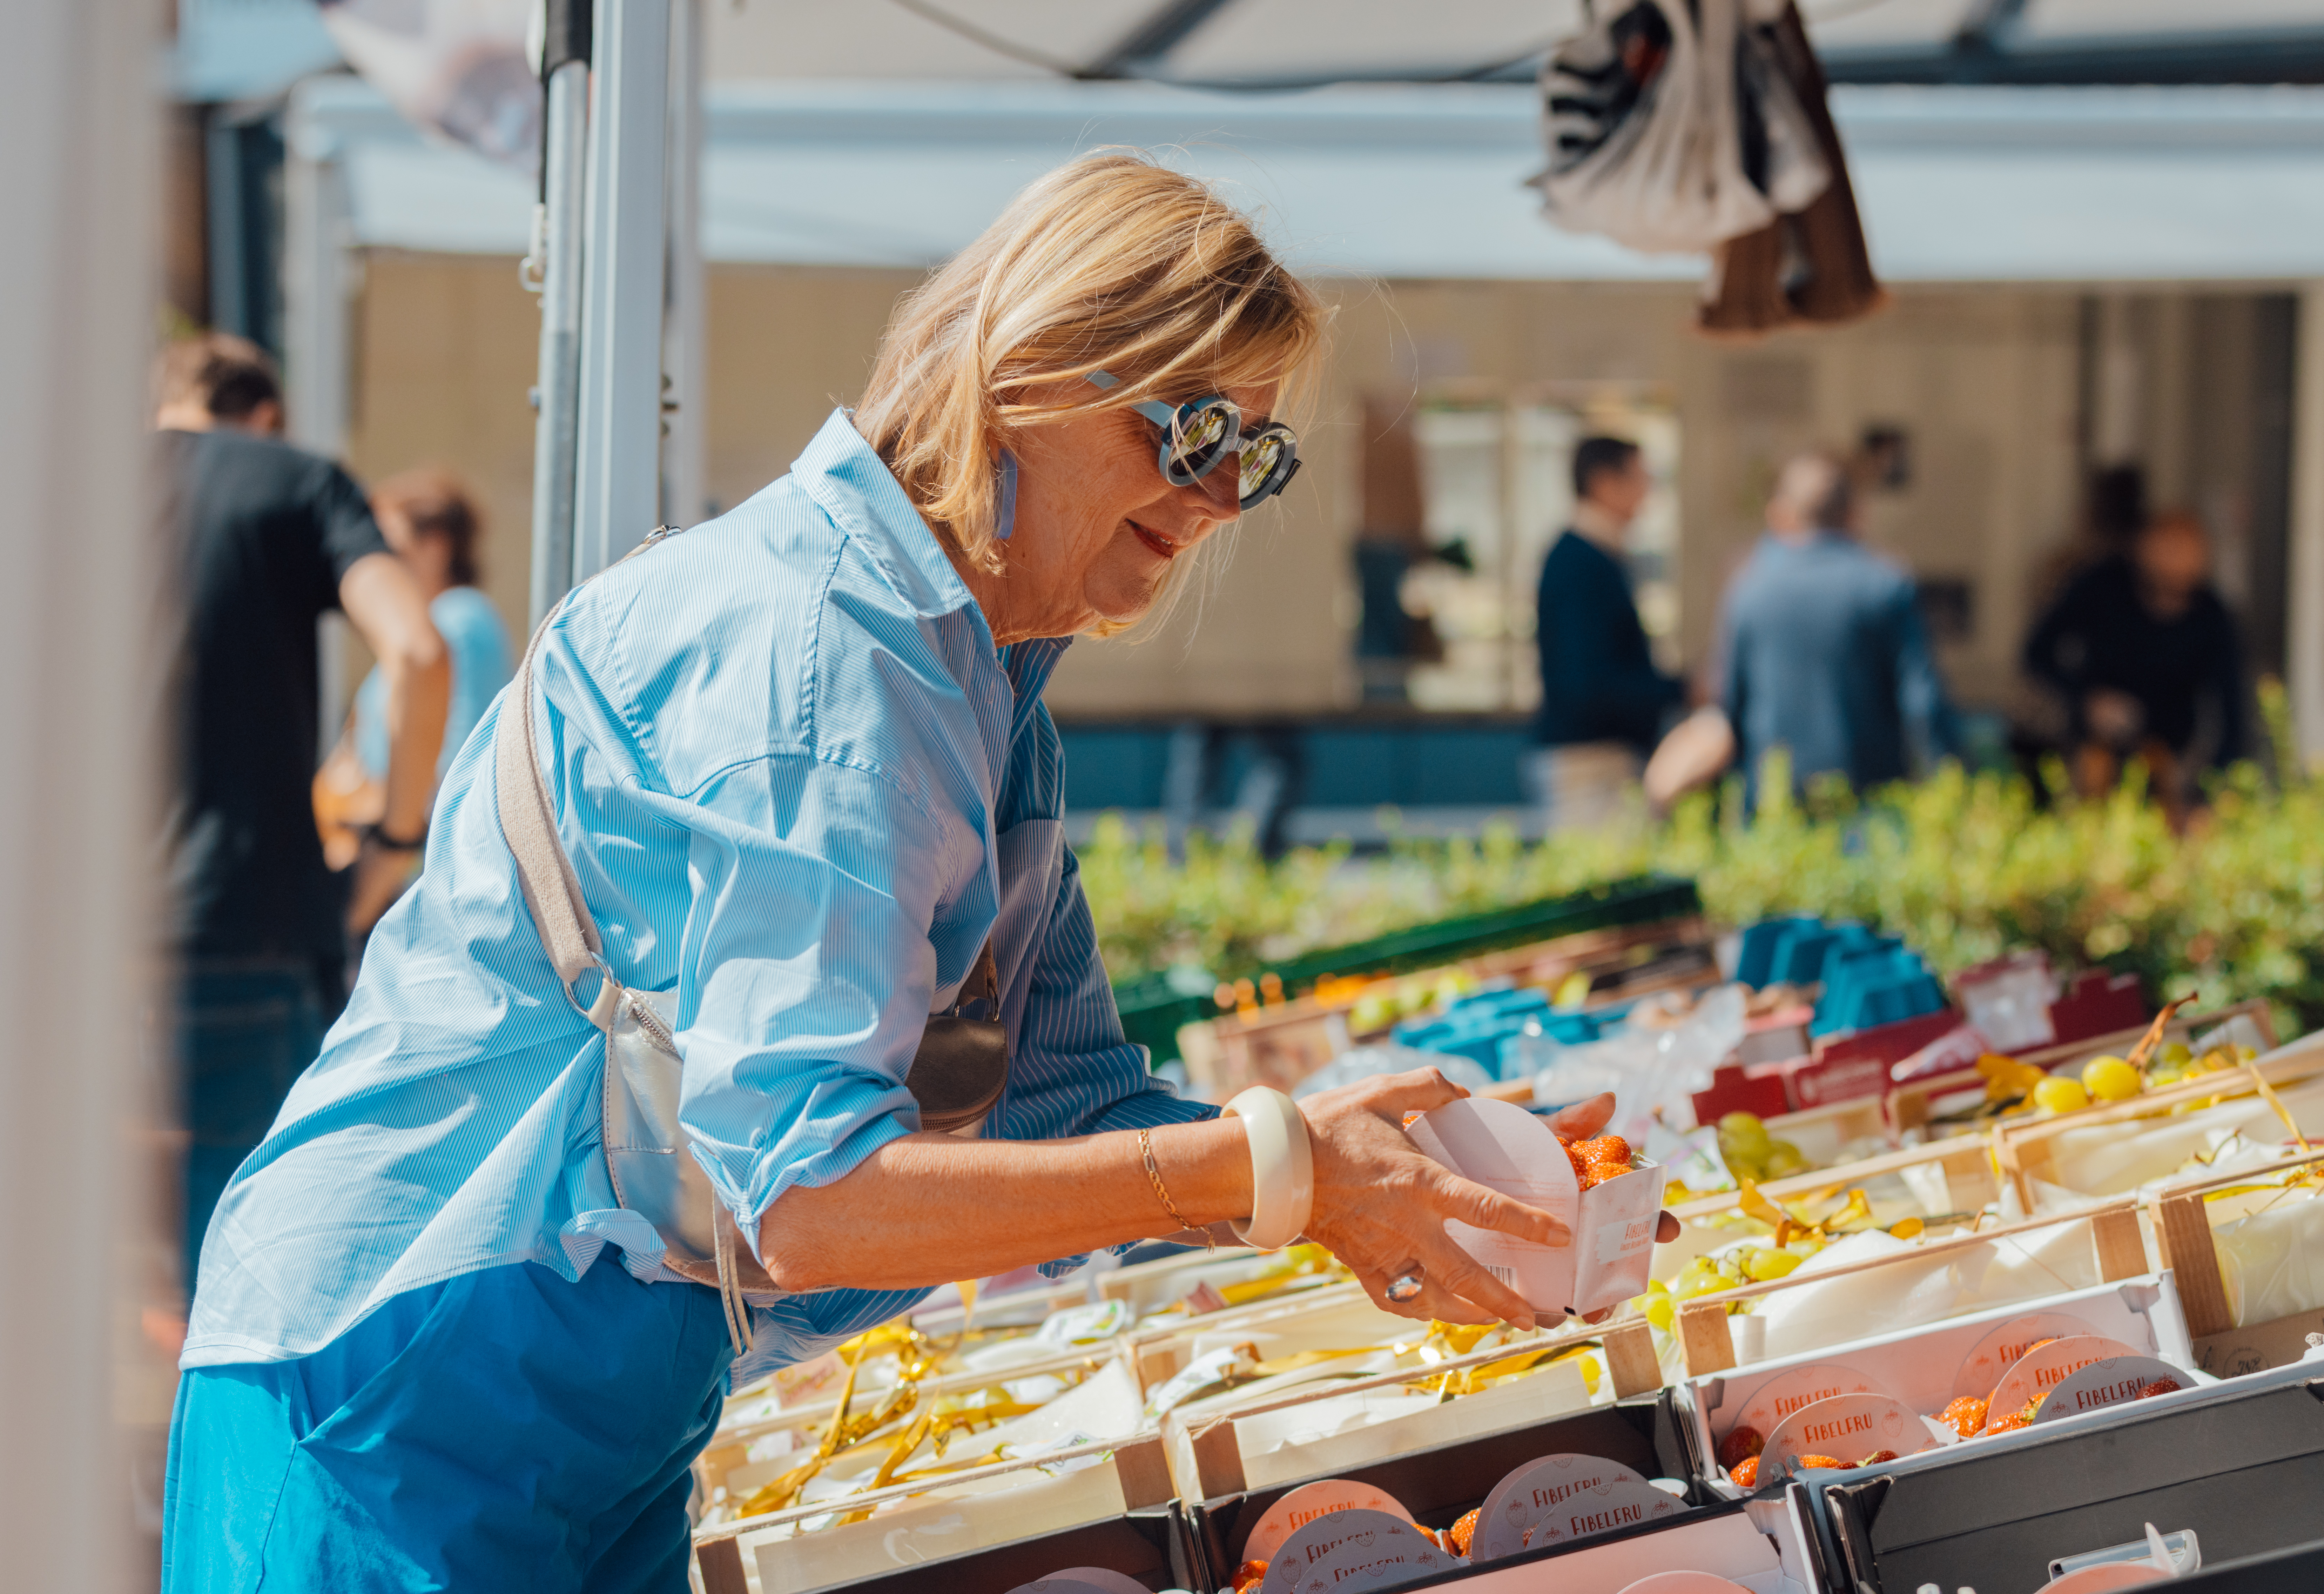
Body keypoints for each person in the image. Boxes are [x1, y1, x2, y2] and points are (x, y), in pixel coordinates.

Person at [162, 155, 1669, 1591]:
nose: (1218, 500)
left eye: (1257, 457)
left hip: (580, 1400)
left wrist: (1409, 1169)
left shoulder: (972, 678)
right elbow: (810, 1193)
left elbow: (1076, 1108)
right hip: (389, 1390)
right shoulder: (826, 664)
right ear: (1033, 368)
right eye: (1196, 430)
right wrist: (1272, 1168)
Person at [154, 333, 451, 1289]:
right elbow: (415, 652)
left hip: (70, 951)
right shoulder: (296, 483)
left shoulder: (63, 480)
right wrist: (395, 843)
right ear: (266, 416)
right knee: (245, 1275)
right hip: (251, 924)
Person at [315, 467, 516, 895]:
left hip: (419, 868)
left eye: (388, 542)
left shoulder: (457, 617)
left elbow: (458, 761)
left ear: (436, 546)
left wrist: (391, 833)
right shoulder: (434, 625)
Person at [1716, 450, 1957, 796]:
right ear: (1856, 515)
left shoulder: (1749, 589)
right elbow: (1922, 700)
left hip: (1777, 799)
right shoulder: (1884, 584)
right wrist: (1951, 784)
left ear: (1784, 515)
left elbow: (1733, 705)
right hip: (1868, 796)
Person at [2024, 507, 2246, 812]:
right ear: (2143, 549)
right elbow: (2038, 652)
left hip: (2169, 757)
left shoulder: (2211, 617)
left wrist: (2209, 794)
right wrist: (2087, 699)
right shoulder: (2102, 585)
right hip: (2093, 750)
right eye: (2169, 550)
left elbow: (2233, 714)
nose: (2178, 564)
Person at [1535, 435, 1683, 750]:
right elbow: (1588, 683)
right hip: (1588, 755)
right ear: (1604, 484)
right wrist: (1678, 690)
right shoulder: (1579, 562)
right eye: (1640, 480)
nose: (1647, 495)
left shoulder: (1594, 556)